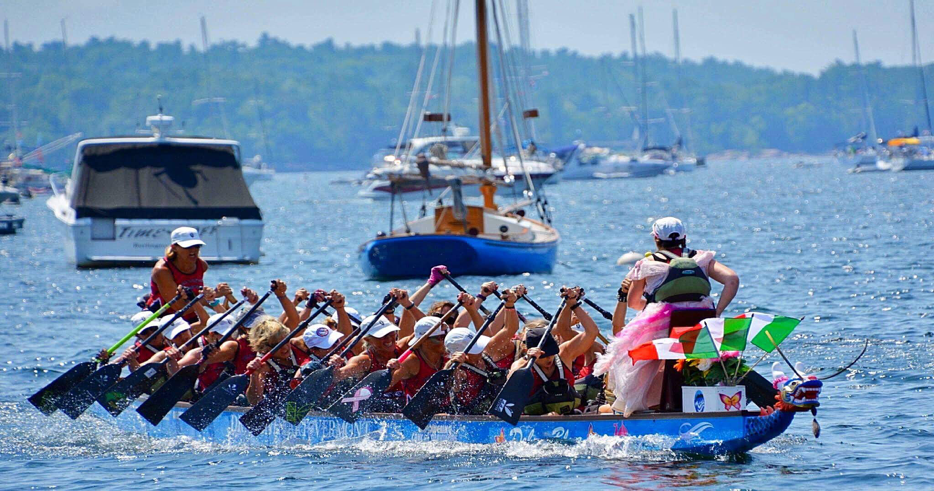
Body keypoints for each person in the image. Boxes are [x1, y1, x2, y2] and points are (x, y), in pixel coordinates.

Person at [594, 217, 739, 416]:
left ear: (656, 239)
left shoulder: (647, 263)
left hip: (664, 327)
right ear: (684, 237)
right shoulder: (702, 258)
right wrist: (717, 312)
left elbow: (634, 303)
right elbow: (732, 279)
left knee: (627, 356)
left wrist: (658, 306)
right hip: (701, 325)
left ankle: (641, 406)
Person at [511, 287, 599, 415]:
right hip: (533, 419)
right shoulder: (521, 365)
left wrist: (573, 304)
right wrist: (526, 360)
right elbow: (511, 384)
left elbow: (592, 332)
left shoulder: (564, 355)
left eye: (551, 353)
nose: (549, 359)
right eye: (543, 356)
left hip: (569, 415)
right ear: (526, 349)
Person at [443, 288, 520, 414]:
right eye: (474, 350)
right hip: (470, 418)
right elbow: (449, 383)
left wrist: (510, 305)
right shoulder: (459, 371)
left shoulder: (486, 352)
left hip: (495, 412)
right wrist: (452, 366)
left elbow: (510, 329)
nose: (479, 351)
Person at [146, 227, 209, 322]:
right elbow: (180, 308)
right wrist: (209, 298)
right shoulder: (162, 270)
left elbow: (197, 298)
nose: (193, 250)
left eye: (197, 246)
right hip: (164, 320)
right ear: (174, 247)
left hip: (190, 317)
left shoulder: (202, 265)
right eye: (187, 247)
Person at [244, 318, 311, 406]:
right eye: (276, 345)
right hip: (281, 404)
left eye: (286, 341)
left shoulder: (299, 344)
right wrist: (254, 375)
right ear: (264, 347)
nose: (285, 348)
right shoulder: (263, 365)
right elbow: (254, 401)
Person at [386, 316, 451, 402]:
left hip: (446, 411)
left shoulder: (450, 357)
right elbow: (385, 386)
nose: (446, 342)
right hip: (418, 412)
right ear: (424, 341)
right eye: (441, 338)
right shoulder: (412, 362)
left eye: (448, 336)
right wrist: (390, 371)